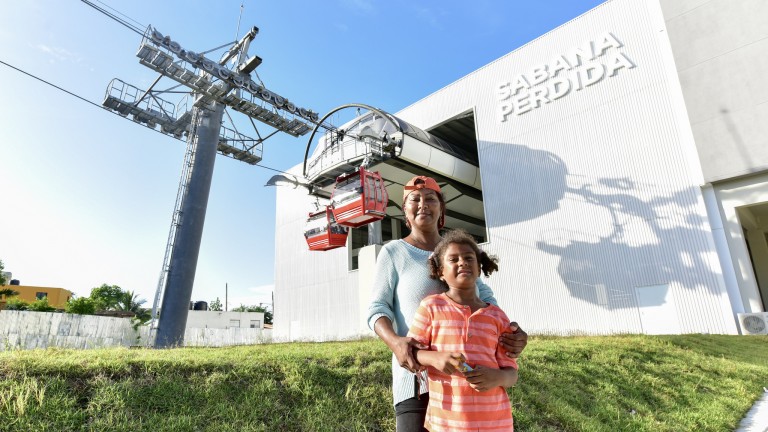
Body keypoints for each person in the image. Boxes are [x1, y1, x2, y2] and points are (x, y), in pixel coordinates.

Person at [367, 175, 528, 431]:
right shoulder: (394, 252)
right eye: (414, 199)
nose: (423, 204)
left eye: (431, 199)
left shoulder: (459, 253)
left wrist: (513, 334)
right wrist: (396, 343)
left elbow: (488, 302)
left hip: (465, 389)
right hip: (416, 380)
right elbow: (377, 308)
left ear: (441, 209)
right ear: (404, 211)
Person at [408, 229, 518, 431]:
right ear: (440, 271)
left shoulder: (497, 316)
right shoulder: (431, 307)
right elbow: (410, 353)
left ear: (478, 269)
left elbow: (512, 373)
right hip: (447, 423)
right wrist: (434, 358)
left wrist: (498, 378)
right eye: (453, 259)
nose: (462, 262)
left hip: (495, 423)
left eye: (469, 258)